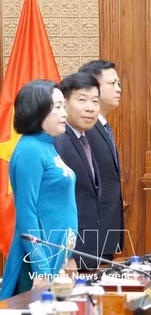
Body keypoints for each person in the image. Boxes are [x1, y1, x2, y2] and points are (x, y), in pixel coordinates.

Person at [0, 80, 77, 299]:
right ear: (37, 111)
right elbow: (27, 214)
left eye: (64, 105)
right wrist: (41, 267)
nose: (64, 112)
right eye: (57, 107)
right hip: (37, 262)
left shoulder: (47, 145)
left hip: (57, 253)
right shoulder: (30, 150)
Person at [53, 72, 103, 270]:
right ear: (64, 103)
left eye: (95, 101)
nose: (90, 108)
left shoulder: (86, 139)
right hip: (69, 257)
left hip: (88, 252)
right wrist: (66, 255)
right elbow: (55, 204)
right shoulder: (59, 141)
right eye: (82, 100)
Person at [79, 60, 124, 264]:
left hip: (104, 237)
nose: (119, 89)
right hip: (89, 241)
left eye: (119, 83)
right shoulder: (85, 129)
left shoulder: (102, 126)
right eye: (112, 84)